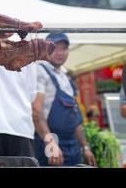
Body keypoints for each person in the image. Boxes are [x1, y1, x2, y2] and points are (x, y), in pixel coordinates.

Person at [32, 33, 96, 166]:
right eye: (55, 48)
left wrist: (85, 147)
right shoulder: (40, 71)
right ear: (46, 49)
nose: (60, 53)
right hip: (50, 142)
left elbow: (76, 119)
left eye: (64, 48)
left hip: (72, 145)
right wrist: (50, 143)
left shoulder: (66, 77)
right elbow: (36, 111)